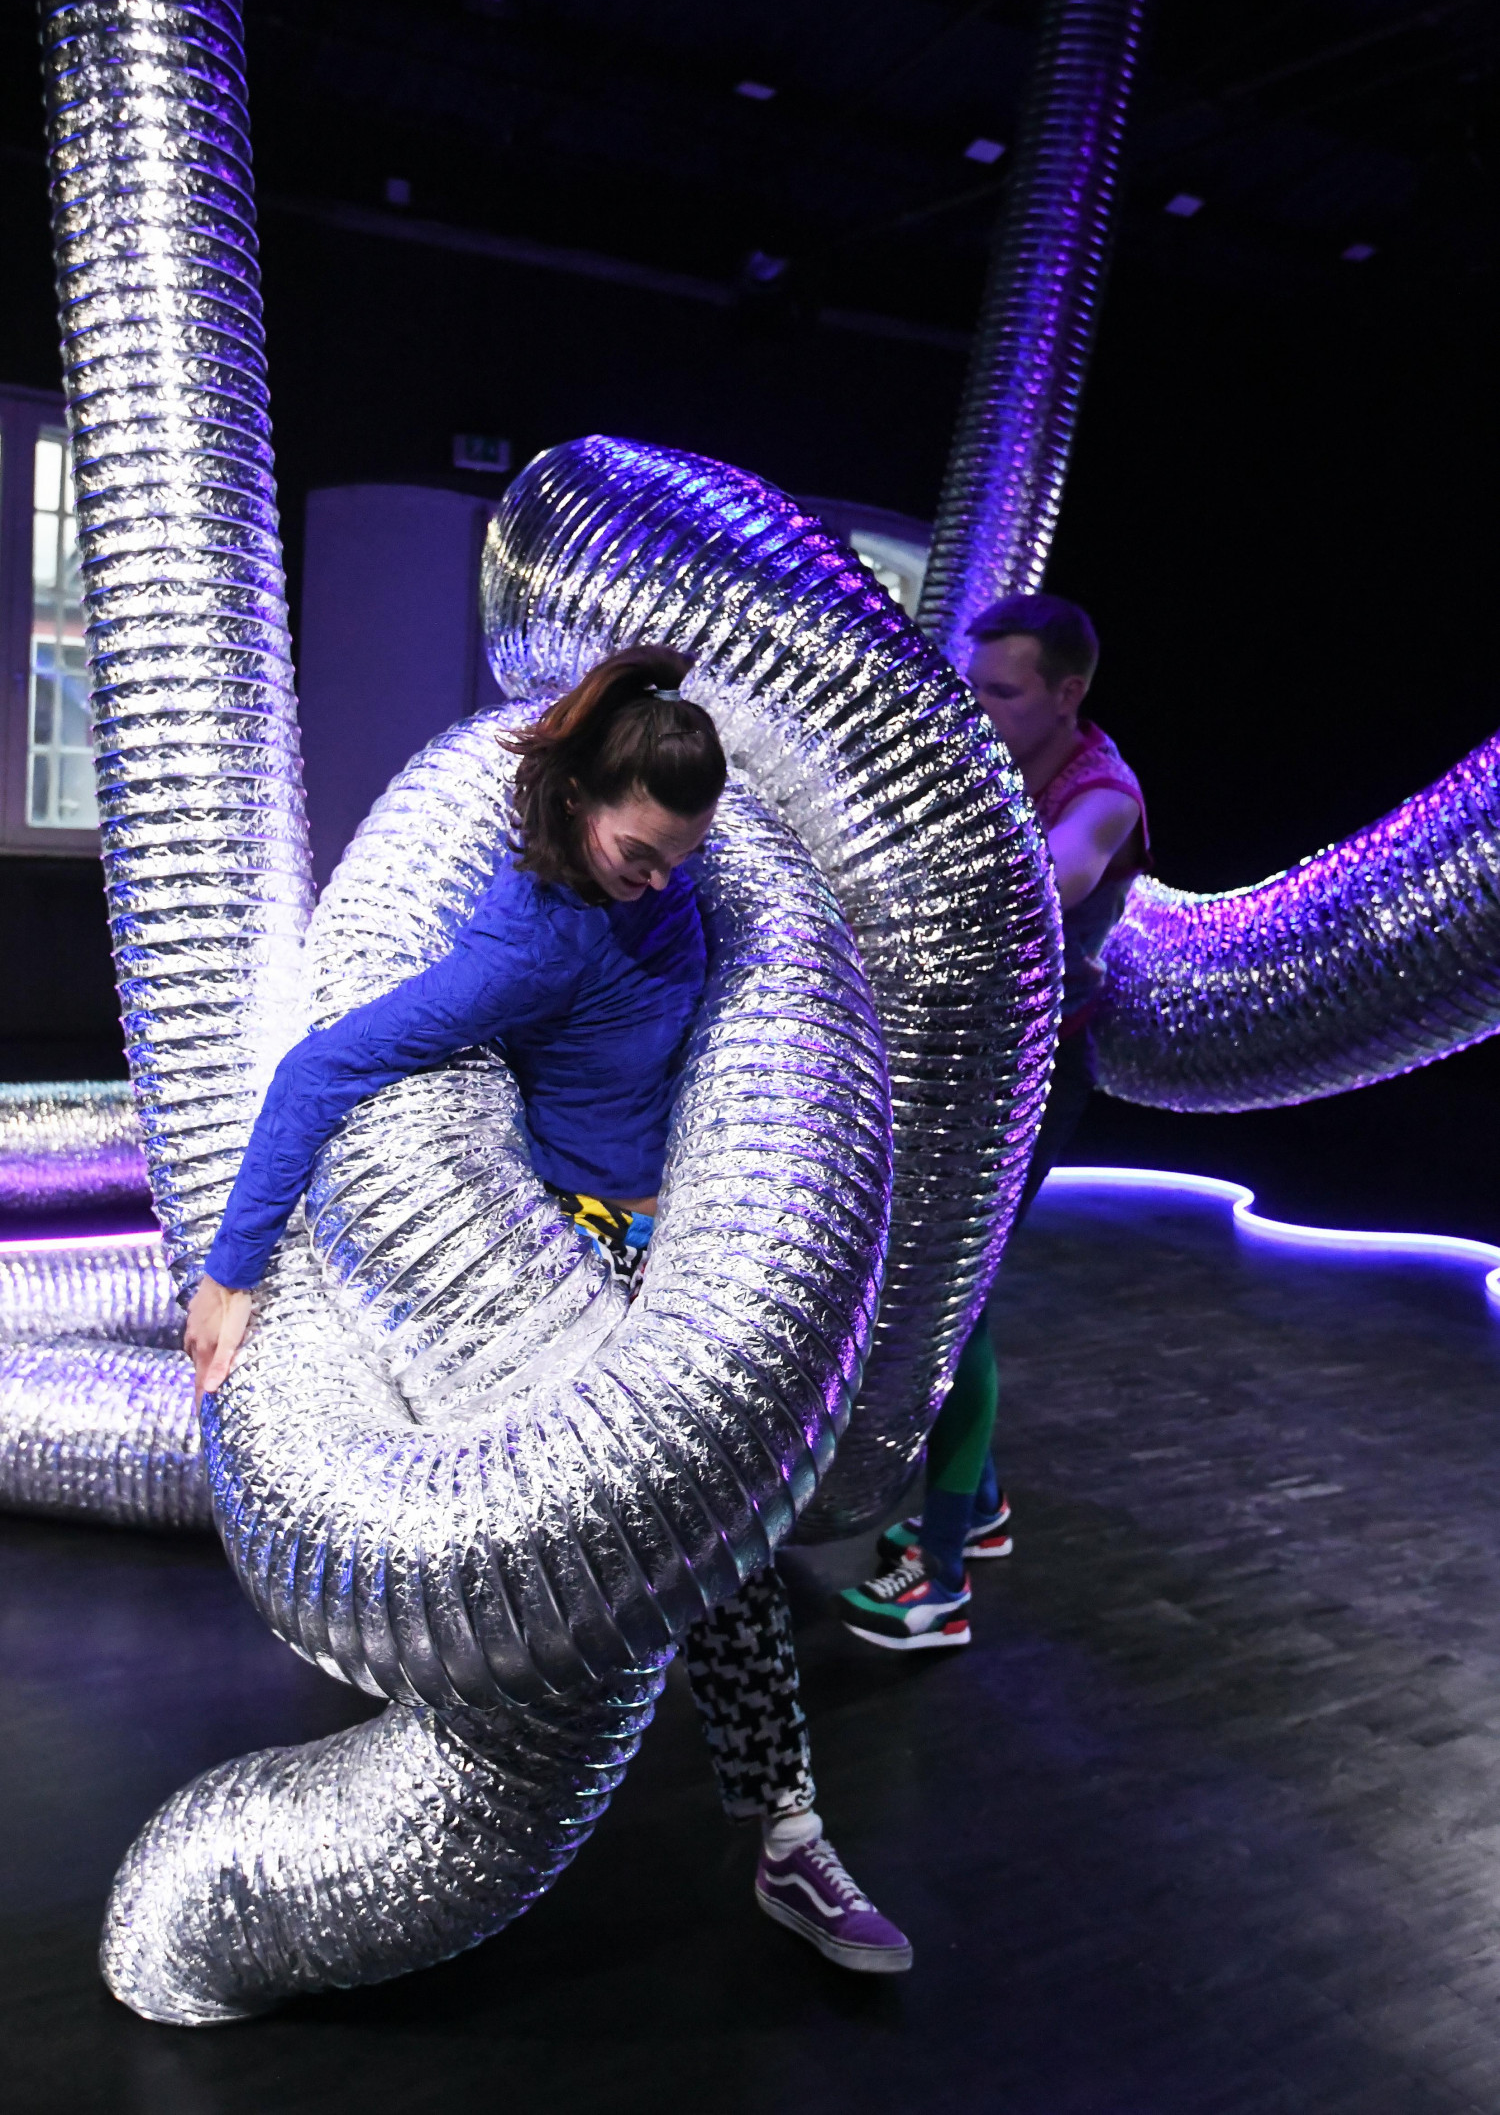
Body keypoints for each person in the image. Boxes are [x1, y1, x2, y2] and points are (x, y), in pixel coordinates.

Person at [184, 645, 912, 1975]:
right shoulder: (528, 944)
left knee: (733, 1521)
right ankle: (787, 1831)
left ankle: (787, 1831)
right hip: (581, 1247)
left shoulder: (662, 879)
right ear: (579, 802)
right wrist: (231, 1273)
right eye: (640, 854)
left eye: (683, 859)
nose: (663, 880)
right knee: (705, 1525)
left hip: (682, 1231)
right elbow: (320, 1068)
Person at [837, 594, 1147, 1652]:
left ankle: (942, 1581)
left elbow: (1055, 877)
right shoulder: (989, 757)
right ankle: (982, 1499)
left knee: (951, 1305)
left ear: (1068, 693)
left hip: (1032, 1076)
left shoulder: (1103, 793)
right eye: (971, 686)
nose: (977, 708)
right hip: (964, 1057)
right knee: (938, 1292)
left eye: (1001, 692)